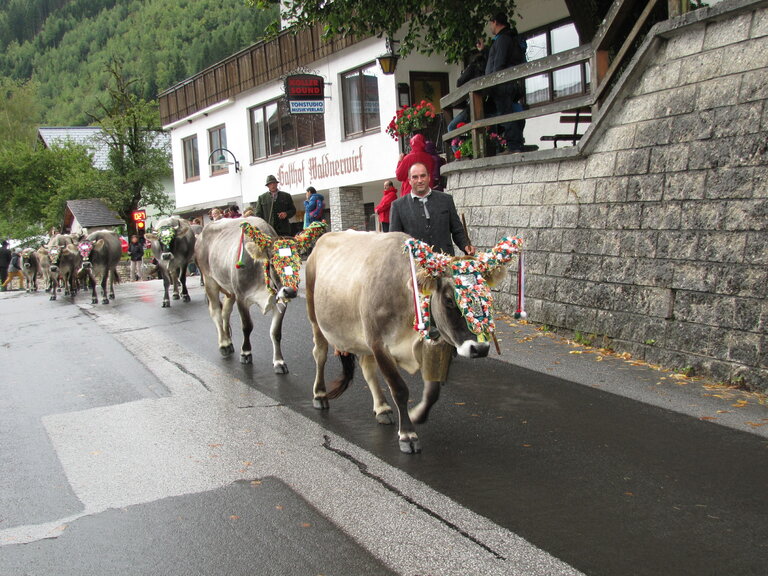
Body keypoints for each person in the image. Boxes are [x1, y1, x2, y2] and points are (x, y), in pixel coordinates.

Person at [390, 162, 474, 256]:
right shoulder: (398, 206)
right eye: (415, 177)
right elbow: (395, 241)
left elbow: (457, 230)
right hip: (415, 266)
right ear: (409, 180)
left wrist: (465, 245)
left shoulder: (446, 200)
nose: (420, 180)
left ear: (429, 177)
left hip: (445, 262)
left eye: (423, 176)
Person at [485, 12, 527, 153]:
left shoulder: (503, 39)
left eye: (491, 23)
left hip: (502, 85)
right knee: (512, 113)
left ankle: (514, 146)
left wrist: (493, 83)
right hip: (509, 84)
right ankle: (516, 143)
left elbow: (499, 63)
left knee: (506, 115)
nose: (490, 26)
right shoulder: (509, 37)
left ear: (495, 22)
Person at [448, 38, 491, 134]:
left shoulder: (474, 66)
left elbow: (459, 82)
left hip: (475, 107)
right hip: (492, 106)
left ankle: (459, 148)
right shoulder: (491, 66)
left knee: (451, 128)